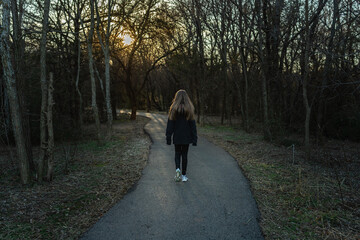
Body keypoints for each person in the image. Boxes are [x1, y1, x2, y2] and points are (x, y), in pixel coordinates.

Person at [166, 89, 197, 182]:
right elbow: (193, 126)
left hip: (177, 137)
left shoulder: (173, 109)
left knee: (177, 154)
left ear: (176, 98)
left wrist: (168, 137)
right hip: (186, 137)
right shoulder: (190, 109)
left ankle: (177, 170)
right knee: (184, 155)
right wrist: (194, 138)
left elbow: (170, 125)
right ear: (187, 98)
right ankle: (183, 175)